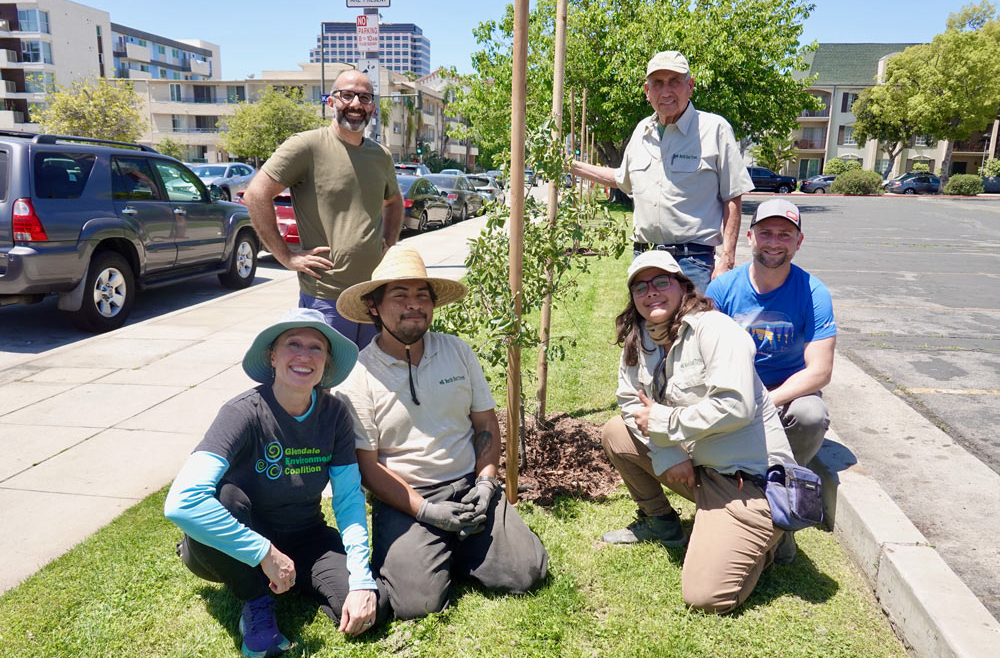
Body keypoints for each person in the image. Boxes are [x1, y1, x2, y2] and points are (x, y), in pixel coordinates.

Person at [333, 246, 548, 620]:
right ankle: (446, 546)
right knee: (416, 605)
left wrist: (485, 482)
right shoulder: (358, 374)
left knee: (527, 572)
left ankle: (460, 544)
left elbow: (484, 424)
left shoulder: (457, 351)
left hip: (470, 486)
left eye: (422, 296)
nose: (414, 305)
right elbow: (365, 466)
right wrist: (428, 511)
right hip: (410, 498)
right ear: (373, 307)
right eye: (400, 296)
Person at [164, 308, 381, 658]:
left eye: (316, 348)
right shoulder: (242, 412)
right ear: (273, 356)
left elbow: (348, 501)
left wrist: (361, 580)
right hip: (237, 535)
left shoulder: (336, 414)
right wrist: (263, 552)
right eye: (292, 343)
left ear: (326, 363)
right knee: (225, 497)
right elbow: (182, 502)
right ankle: (255, 598)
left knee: (369, 608)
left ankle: (286, 576)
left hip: (304, 534)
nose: (304, 355)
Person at [600, 249, 795, 614]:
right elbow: (630, 402)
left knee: (705, 598)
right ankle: (662, 523)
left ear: (683, 286)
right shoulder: (641, 338)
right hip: (695, 464)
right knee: (615, 431)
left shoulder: (716, 329)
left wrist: (664, 425)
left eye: (662, 282)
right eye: (641, 286)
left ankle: (767, 537)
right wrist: (668, 451)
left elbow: (736, 407)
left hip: (747, 482)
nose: (651, 292)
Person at [706, 198, 836, 563]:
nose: (774, 242)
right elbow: (703, 354)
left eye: (785, 234)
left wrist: (768, 402)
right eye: (766, 233)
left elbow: (820, 371)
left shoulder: (813, 293)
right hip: (733, 391)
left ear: (799, 241)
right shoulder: (722, 290)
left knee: (812, 414)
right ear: (749, 237)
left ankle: (783, 502)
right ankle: (740, 500)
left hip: (785, 394)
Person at [244, 70, 404, 348]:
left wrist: (389, 243)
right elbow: (256, 194)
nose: (355, 104)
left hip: (373, 295)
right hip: (326, 297)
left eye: (364, 97)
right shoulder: (306, 146)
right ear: (331, 102)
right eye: (347, 95)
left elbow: (394, 201)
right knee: (328, 381)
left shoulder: (380, 156)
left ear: (372, 107)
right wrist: (285, 256)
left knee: (370, 382)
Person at [569, 51, 754, 293]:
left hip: (693, 262)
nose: (666, 91)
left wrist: (726, 261)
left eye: (674, 81)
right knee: (647, 331)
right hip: (645, 259)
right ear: (647, 91)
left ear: (690, 86)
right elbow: (620, 179)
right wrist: (570, 166)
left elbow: (732, 197)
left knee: (691, 328)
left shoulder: (714, 130)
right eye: (658, 84)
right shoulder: (641, 132)